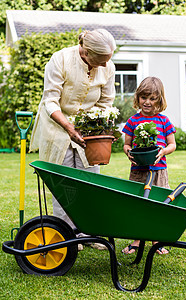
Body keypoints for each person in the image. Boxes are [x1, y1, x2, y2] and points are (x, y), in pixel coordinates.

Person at [29, 28, 116, 250]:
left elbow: (106, 101)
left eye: (109, 60)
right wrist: (68, 127)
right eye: (102, 60)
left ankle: (88, 231)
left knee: (90, 181)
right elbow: (50, 101)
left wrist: (98, 127)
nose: (107, 65)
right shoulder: (60, 59)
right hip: (58, 126)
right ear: (86, 52)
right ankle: (66, 233)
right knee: (63, 183)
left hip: (88, 128)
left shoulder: (107, 66)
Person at [122, 77, 176, 255]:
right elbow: (126, 144)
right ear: (138, 98)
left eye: (153, 98)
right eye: (144, 97)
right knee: (139, 205)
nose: (147, 102)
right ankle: (137, 241)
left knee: (157, 204)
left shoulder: (163, 121)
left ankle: (156, 241)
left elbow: (172, 144)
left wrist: (163, 152)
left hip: (158, 170)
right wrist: (129, 152)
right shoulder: (132, 121)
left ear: (159, 100)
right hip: (139, 171)